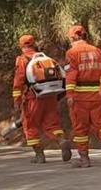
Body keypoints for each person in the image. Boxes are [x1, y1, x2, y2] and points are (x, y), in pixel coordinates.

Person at [64, 25, 101, 169]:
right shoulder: (97, 51)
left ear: (73, 37)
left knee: (80, 128)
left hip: (80, 96)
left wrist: (70, 94)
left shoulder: (72, 52)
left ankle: (84, 159)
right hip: (97, 95)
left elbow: (71, 75)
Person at [11, 34, 71, 164]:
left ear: (21, 46)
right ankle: (61, 140)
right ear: (34, 44)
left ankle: (39, 155)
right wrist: (58, 97)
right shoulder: (46, 58)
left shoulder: (22, 60)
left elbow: (18, 82)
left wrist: (16, 101)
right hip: (51, 95)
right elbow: (62, 77)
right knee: (52, 124)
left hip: (33, 97)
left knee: (30, 125)